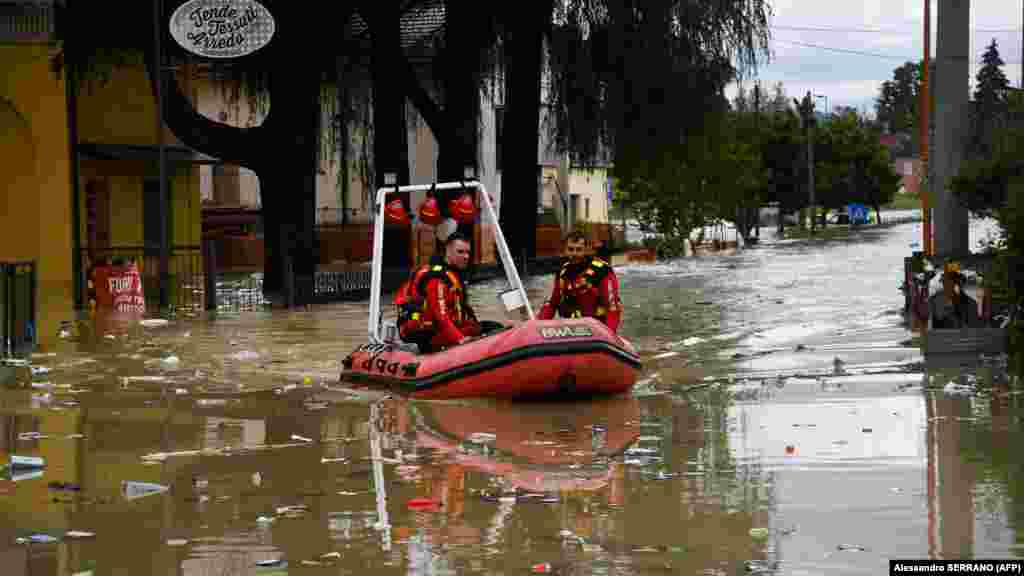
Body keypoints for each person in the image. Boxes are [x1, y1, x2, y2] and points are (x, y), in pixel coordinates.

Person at [394, 232, 482, 353]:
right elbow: (440, 315)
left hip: (441, 329)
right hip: (426, 334)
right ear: (448, 250)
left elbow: (463, 308)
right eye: (460, 252)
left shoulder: (454, 274)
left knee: (489, 327)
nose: (466, 256)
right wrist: (461, 339)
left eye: (468, 252)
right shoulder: (437, 278)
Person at [539, 230, 622, 332]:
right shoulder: (562, 273)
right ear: (564, 250)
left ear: (586, 250)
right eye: (570, 249)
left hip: (598, 329)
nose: (574, 254)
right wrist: (537, 326)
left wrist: (610, 334)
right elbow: (552, 304)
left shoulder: (602, 271)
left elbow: (612, 307)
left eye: (578, 250)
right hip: (570, 330)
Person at [929, 263, 979, 329]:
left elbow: (969, 275)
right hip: (943, 300)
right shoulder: (937, 279)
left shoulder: (955, 275)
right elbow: (933, 290)